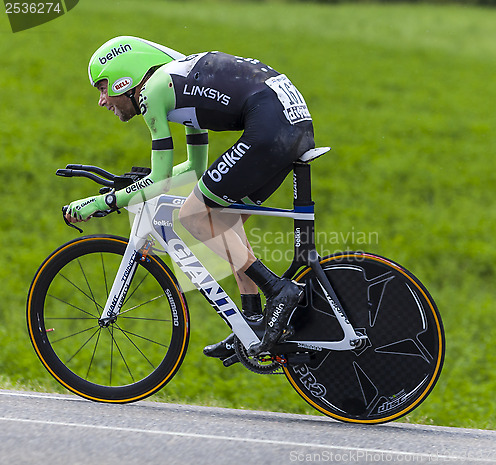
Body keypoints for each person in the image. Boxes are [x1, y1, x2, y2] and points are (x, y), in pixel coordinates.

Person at [66, 36, 315, 357]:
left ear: (123, 79)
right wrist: (138, 184)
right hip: (291, 123)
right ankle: (252, 321)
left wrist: (100, 204)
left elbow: (160, 178)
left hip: (271, 127)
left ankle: (278, 289)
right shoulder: (177, 84)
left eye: (102, 87)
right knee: (223, 221)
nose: (102, 100)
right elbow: (195, 167)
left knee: (193, 216)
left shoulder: (154, 92)